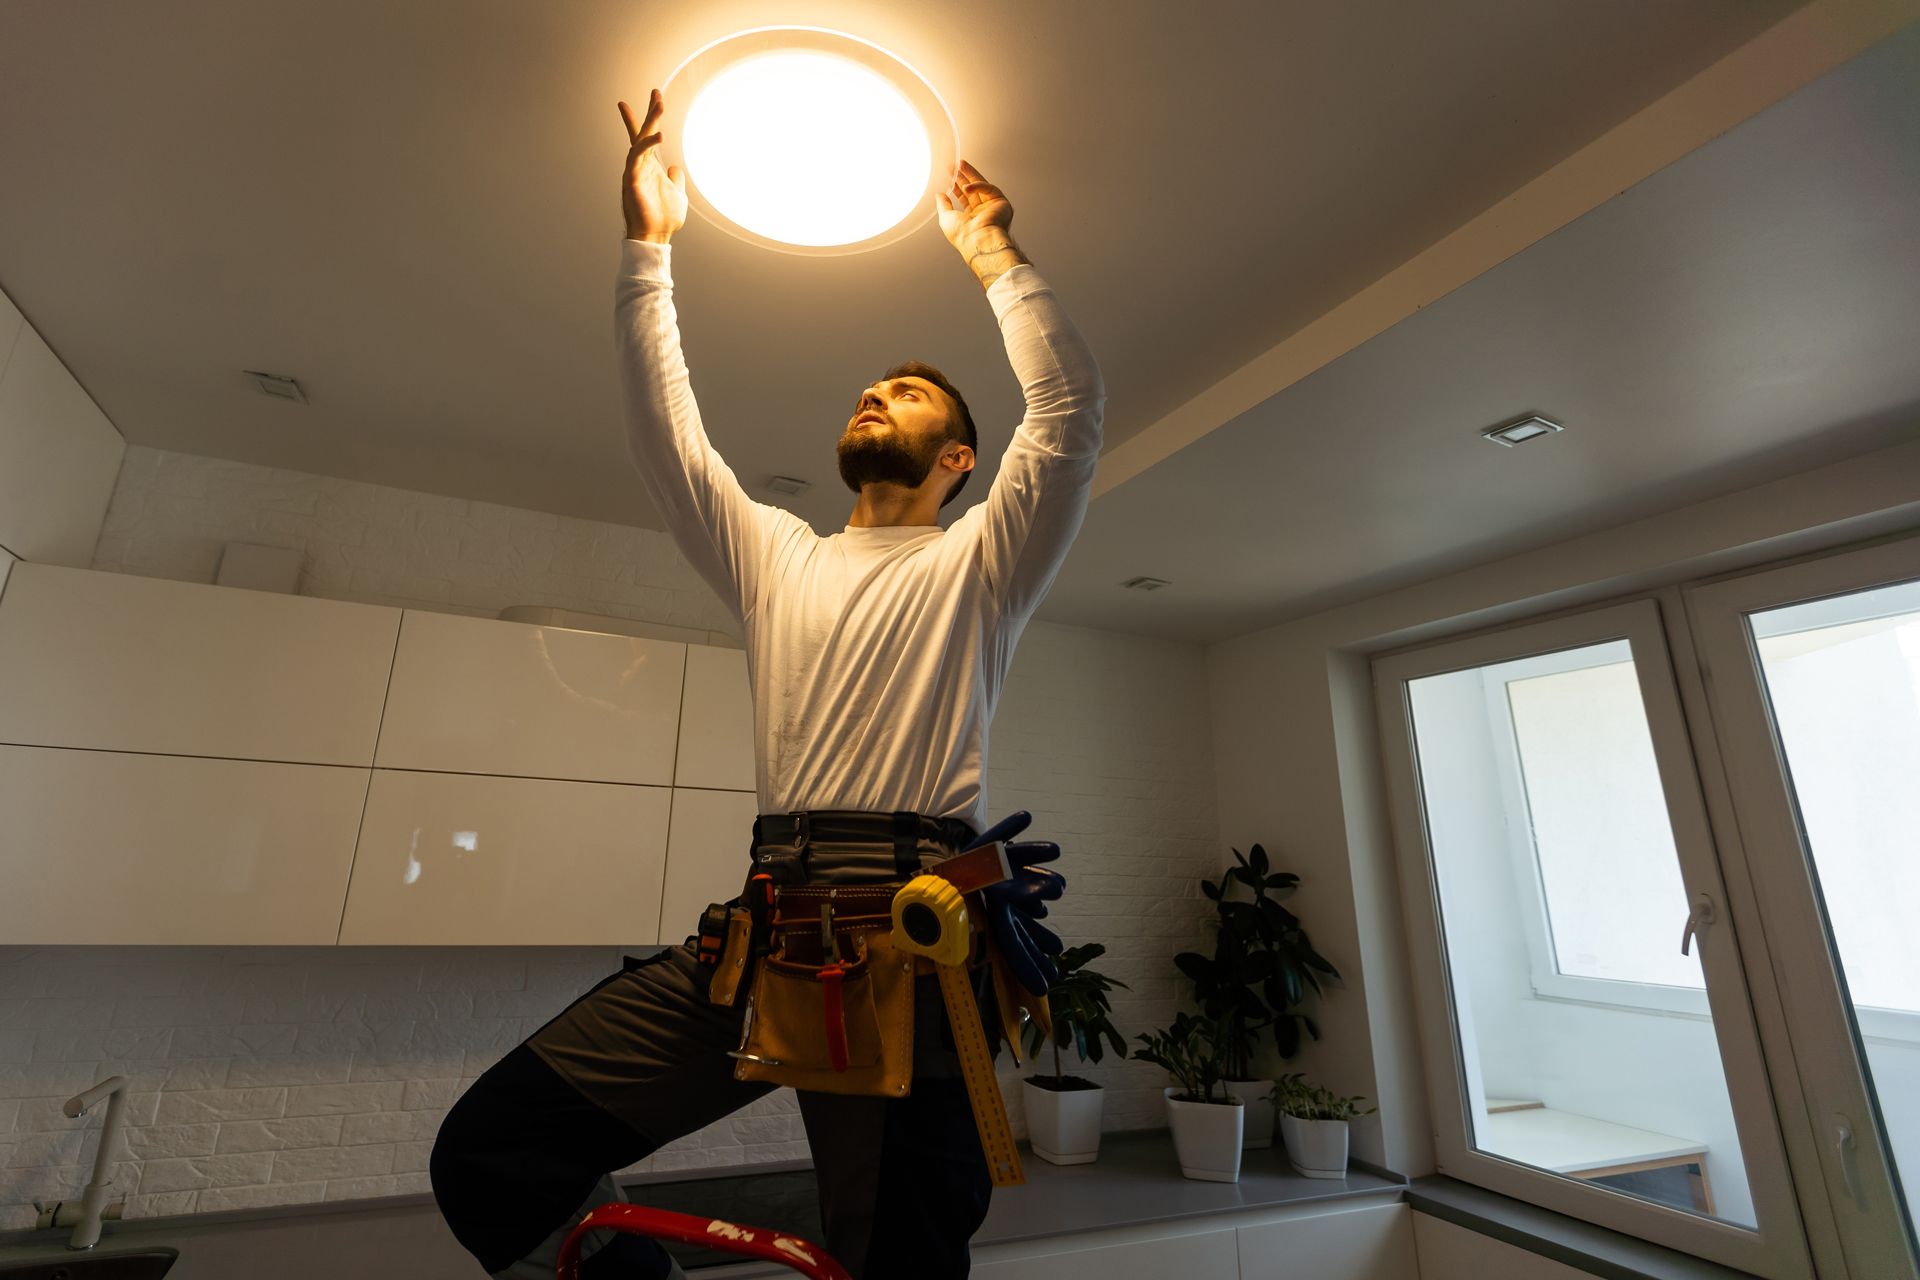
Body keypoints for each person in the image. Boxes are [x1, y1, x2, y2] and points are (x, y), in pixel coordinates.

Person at [429, 87, 1104, 1280]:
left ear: (958, 459)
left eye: (905, 394)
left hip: (915, 940)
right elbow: (666, 435)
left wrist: (993, 250)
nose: (871, 395)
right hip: (758, 931)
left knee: (902, 1252)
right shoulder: (777, 554)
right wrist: (649, 247)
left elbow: (1070, 409)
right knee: (492, 1148)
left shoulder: (979, 560)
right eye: (867, 388)